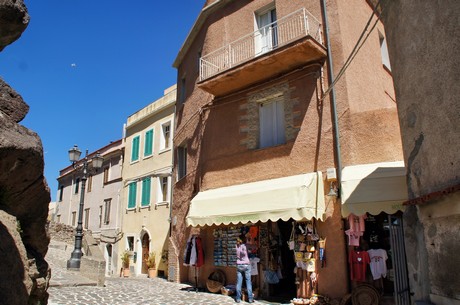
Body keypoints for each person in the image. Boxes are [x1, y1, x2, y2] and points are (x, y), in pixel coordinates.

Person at [236, 235, 254, 303]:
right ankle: (250, 299)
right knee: (248, 282)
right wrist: (251, 239)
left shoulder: (237, 246)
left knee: (239, 282)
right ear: (244, 239)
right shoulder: (246, 245)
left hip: (239, 265)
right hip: (246, 265)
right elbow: (255, 247)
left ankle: (238, 298)